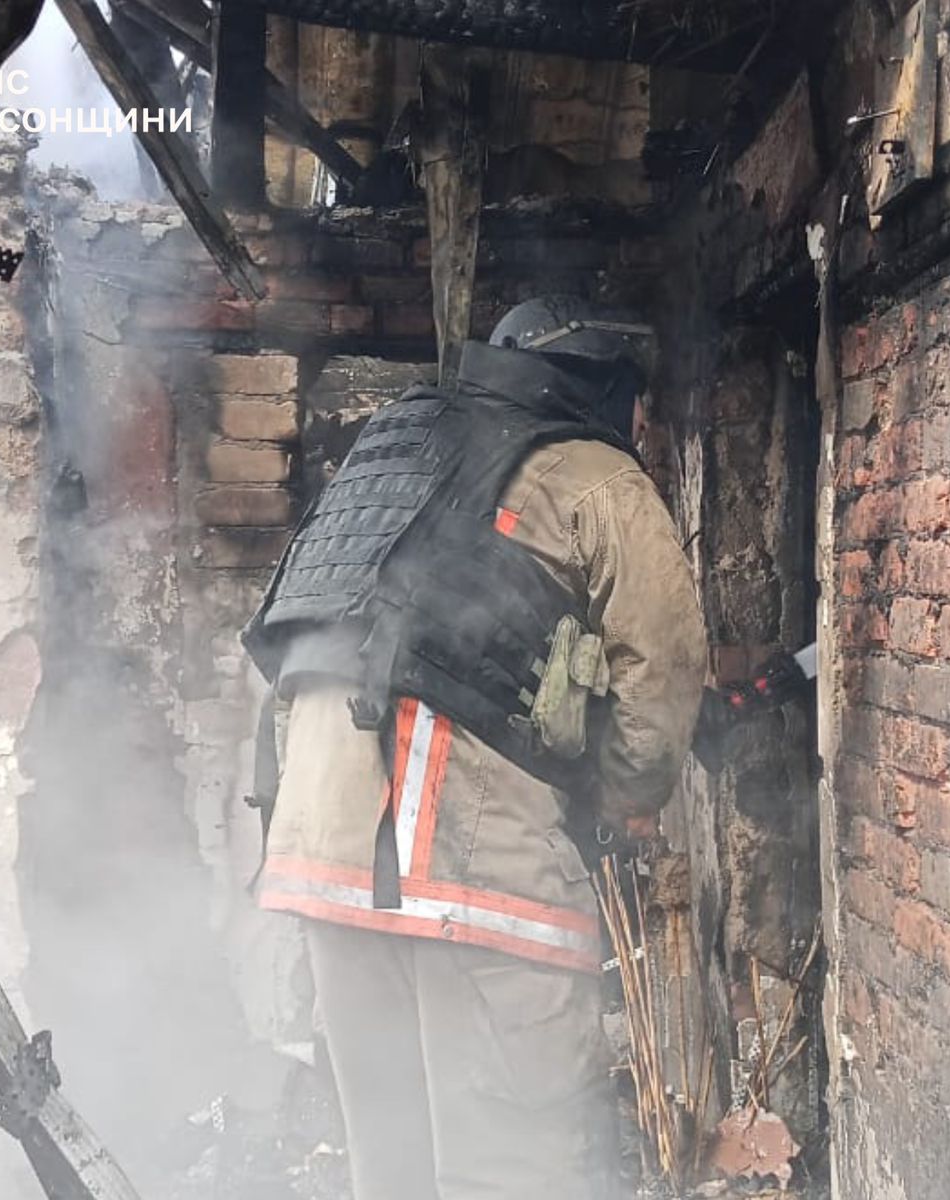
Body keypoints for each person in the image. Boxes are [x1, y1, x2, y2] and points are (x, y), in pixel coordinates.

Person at [243, 296, 709, 1200]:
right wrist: (624, 802)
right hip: (468, 863)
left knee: (393, 1166)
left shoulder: (394, 449)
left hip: (320, 854)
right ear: (602, 385)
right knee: (509, 1165)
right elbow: (665, 663)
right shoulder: (596, 477)